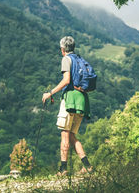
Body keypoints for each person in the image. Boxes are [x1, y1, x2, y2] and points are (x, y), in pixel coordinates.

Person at [42, 36, 93, 176]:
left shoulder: (66, 59)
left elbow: (66, 80)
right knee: (71, 136)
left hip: (70, 101)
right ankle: (88, 166)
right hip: (82, 102)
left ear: (62, 49)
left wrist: (50, 93)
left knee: (65, 135)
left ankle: (63, 170)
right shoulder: (79, 59)